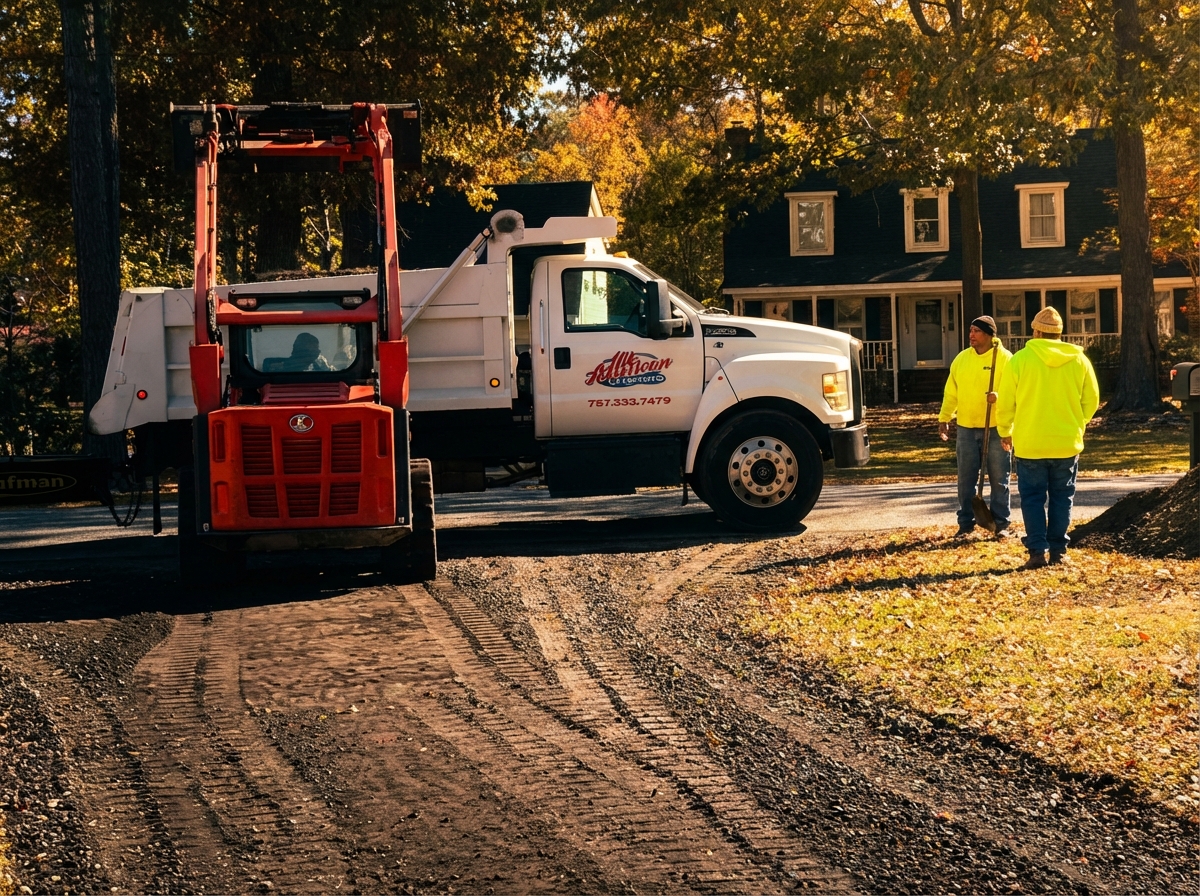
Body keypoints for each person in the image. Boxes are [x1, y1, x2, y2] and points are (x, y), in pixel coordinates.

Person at [996, 306, 1100, 570]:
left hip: (1031, 443)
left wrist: (1005, 431)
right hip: (1066, 441)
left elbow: (1006, 402)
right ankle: (1058, 550)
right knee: (1062, 497)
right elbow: (1092, 400)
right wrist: (1078, 422)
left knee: (1032, 498)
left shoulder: (1020, 360)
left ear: (1036, 331)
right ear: (1059, 333)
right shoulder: (1079, 360)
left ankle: (1036, 551)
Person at [938, 315, 1013, 538]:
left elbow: (1014, 391)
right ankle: (965, 523)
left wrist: (998, 396)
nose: (971, 335)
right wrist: (945, 418)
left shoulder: (1005, 359)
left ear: (990, 335)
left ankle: (1001, 524)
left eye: (977, 331)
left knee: (1000, 478)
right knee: (966, 478)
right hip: (967, 428)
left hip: (996, 427)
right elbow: (951, 392)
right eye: (970, 330)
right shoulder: (961, 360)